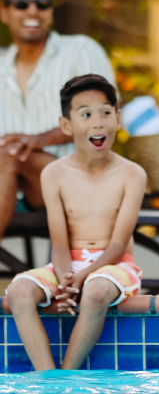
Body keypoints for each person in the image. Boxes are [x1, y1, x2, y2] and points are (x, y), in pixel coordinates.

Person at [7, 73, 147, 371]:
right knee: (18, 291)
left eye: (106, 113)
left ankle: (67, 375)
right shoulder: (54, 174)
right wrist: (66, 277)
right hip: (66, 264)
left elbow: (119, 244)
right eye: (86, 114)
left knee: (96, 291)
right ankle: (48, 376)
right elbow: (59, 242)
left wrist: (84, 278)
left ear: (118, 119)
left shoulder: (132, 174)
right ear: (67, 125)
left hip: (114, 265)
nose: (98, 122)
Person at [0, 0, 116, 241]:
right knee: (9, 154)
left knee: (11, 153)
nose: (33, 10)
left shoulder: (80, 51)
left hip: (80, 183)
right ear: (4, 13)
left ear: (50, 12)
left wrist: (38, 140)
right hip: (16, 189)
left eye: (42, 3)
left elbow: (101, 118)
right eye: (21, 3)